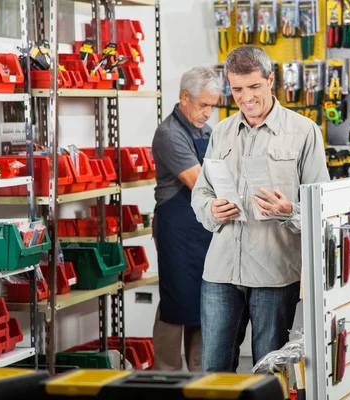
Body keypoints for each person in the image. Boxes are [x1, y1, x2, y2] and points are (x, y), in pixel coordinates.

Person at [191, 45, 330, 372]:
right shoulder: (222, 131)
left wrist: (290, 211)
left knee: (270, 373)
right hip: (221, 273)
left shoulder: (303, 132)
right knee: (213, 371)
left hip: (275, 274)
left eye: (254, 87)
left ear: (271, 81)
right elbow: (201, 192)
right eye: (237, 89)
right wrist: (211, 209)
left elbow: (322, 207)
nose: (246, 97)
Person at [151, 67, 221, 372]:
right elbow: (199, 181)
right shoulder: (170, 134)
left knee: (202, 301)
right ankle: (166, 376)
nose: (208, 113)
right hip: (176, 228)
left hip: (202, 228)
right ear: (184, 97)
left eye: (212, 107)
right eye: (203, 105)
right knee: (175, 299)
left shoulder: (204, 131)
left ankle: (199, 375)